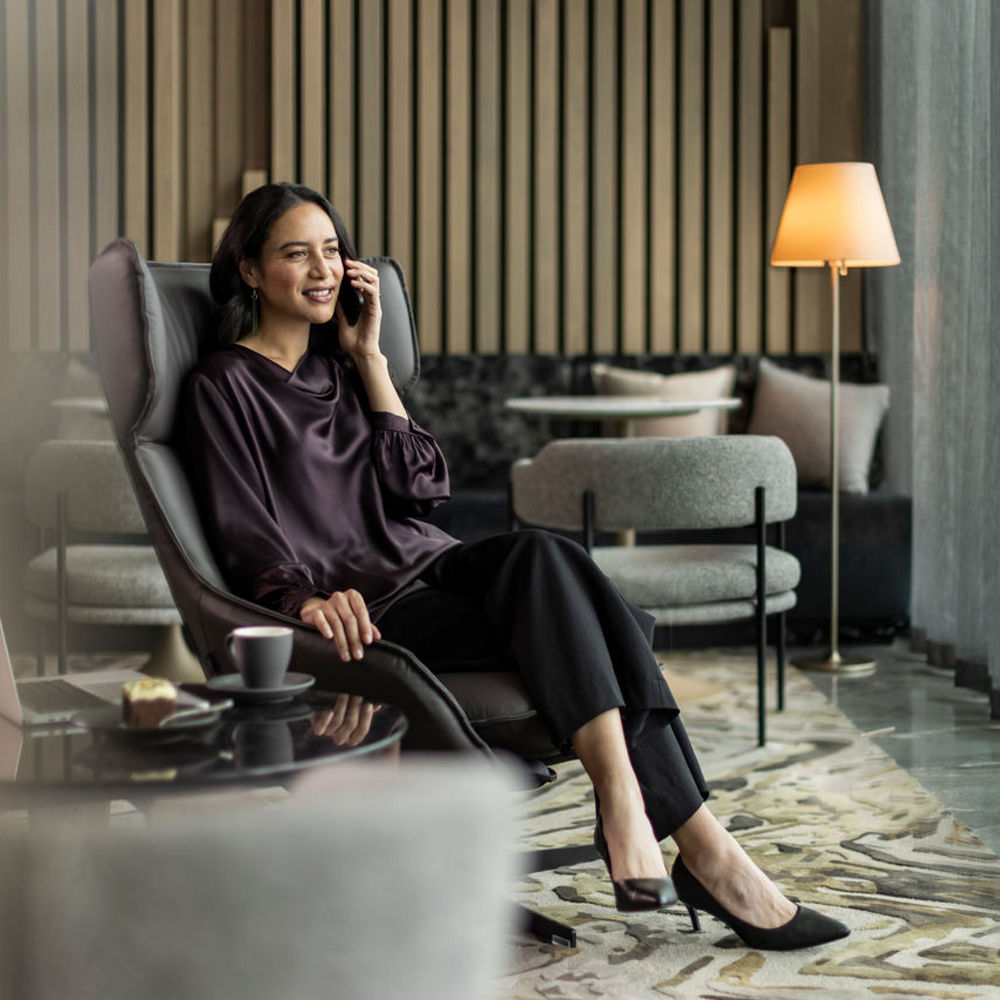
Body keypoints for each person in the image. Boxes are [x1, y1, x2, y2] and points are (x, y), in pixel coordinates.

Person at [177, 182, 849, 950]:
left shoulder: (347, 369)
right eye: (297, 254)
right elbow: (245, 533)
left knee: (543, 554)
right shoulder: (223, 385)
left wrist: (370, 359)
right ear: (253, 272)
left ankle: (629, 801)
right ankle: (699, 846)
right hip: (378, 607)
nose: (323, 269)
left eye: (332, 250)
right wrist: (300, 602)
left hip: (436, 566)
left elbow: (422, 488)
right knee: (596, 616)